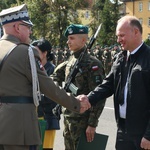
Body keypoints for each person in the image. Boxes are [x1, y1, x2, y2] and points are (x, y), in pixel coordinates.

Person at [0, 4, 90, 150]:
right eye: (27, 27)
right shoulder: (25, 52)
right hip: (19, 129)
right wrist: (76, 103)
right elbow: (48, 87)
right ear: (17, 27)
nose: (30, 31)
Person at [79, 15, 150, 150]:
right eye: (118, 36)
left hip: (143, 132)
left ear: (136, 32)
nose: (119, 40)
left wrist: (149, 135)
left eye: (122, 35)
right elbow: (108, 85)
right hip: (123, 129)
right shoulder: (121, 57)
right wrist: (88, 98)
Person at [52, 24, 106, 150]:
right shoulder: (71, 60)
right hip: (68, 117)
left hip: (83, 121)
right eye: (68, 38)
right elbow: (55, 76)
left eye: (71, 38)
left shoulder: (93, 64)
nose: (67, 42)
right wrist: (60, 94)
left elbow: (99, 95)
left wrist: (92, 123)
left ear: (83, 40)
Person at [32, 39, 59, 150]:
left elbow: (54, 95)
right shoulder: (33, 68)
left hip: (47, 118)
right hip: (34, 117)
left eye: (35, 51)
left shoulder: (53, 70)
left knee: (45, 148)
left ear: (45, 53)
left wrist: (32, 97)